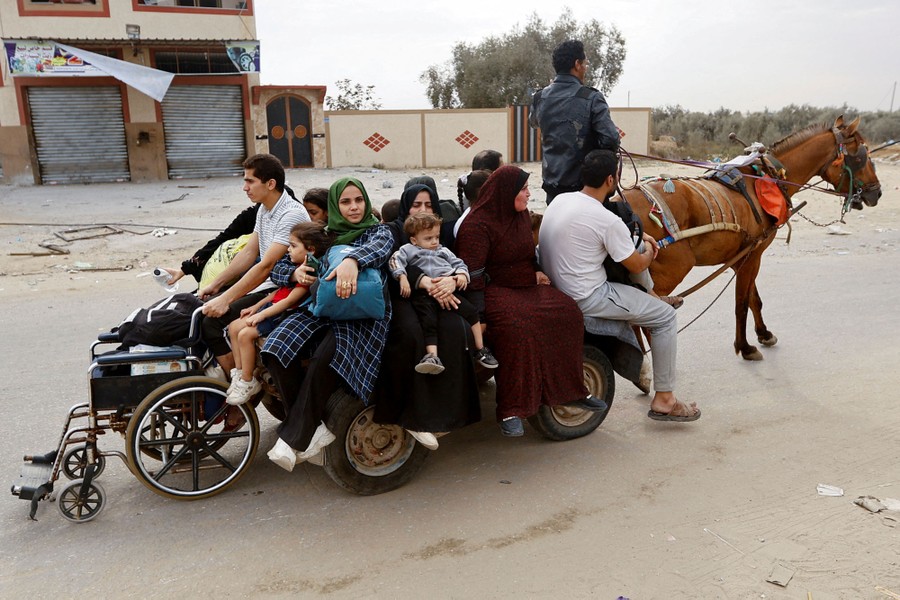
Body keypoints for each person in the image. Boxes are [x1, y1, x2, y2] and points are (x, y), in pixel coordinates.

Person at [539, 149, 701, 422]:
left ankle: (651, 298)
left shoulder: (560, 201)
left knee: (632, 251)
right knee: (664, 317)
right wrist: (650, 247)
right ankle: (665, 399)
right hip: (587, 296)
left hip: (556, 285)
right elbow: (637, 265)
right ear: (611, 181)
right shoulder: (607, 220)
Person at [455, 165, 606, 437]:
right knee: (518, 328)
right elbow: (472, 276)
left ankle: (570, 392)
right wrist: (480, 316)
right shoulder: (476, 225)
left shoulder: (521, 215)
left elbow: (528, 253)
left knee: (568, 312)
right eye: (523, 189)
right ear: (506, 192)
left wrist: (536, 269)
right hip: (494, 290)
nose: (528, 193)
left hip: (525, 284)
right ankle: (511, 409)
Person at [261, 177, 394, 470]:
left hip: (361, 316)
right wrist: (295, 276)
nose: (354, 207)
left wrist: (353, 261)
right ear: (335, 205)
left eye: (358, 200)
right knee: (275, 349)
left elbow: (379, 251)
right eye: (345, 202)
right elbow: (284, 263)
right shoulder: (326, 233)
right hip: (321, 308)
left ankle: (293, 437)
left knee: (324, 359)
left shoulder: (378, 231)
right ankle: (313, 428)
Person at [373, 181, 482, 449]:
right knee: (412, 335)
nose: (421, 210)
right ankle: (412, 414)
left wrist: (452, 281)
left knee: (457, 330)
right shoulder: (393, 231)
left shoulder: (438, 233)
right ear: (405, 205)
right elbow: (393, 264)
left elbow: (454, 262)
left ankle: (448, 415)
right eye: (416, 205)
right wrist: (425, 282)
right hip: (405, 296)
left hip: (439, 295)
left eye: (428, 205)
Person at [198, 154, 309, 375]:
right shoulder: (264, 208)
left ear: (270, 184)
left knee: (211, 324)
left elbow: (266, 265)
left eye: (250, 181)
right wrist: (217, 285)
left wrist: (225, 299)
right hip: (265, 282)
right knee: (203, 309)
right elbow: (250, 252)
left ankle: (241, 388)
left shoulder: (291, 214)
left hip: (280, 286)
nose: (244, 188)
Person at [224, 221, 331, 405]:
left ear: (311, 249)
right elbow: (277, 292)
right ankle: (240, 374)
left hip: (280, 314)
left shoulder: (308, 274)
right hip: (270, 307)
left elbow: (289, 301)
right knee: (233, 327)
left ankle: (249, 381)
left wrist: (261, 315)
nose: (288, 249)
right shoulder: (296, 267)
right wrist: (256, 307)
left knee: (245, 335)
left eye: (293, 245)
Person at [389, 211, 498, 374]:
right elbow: (395, 260)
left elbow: (459, 263)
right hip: (424, 294)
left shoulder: (443, 250)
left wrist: (461, 275)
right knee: (428, 321)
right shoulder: (408, 250)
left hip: (448, 288)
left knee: (472, 312)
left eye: (436, 237)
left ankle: (480, 349)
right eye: (428, 238)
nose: (434, 242)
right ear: (414, 239)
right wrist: (402, 276)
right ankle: (432, 356)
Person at [529, 39, 621, 204]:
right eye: (585, 63)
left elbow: (533, 122)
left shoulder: (540, 97)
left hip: (552, 189)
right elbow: (611, 139)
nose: (585, 68)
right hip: (587, 190)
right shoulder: (592, 97)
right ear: (577, 64)